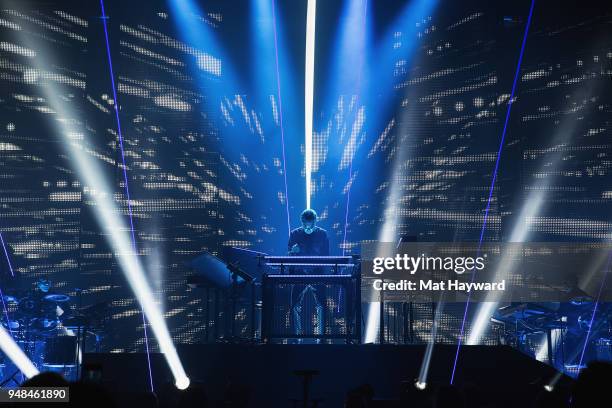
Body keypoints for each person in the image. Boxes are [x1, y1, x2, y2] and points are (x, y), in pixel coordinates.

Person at [287, 209, 329, 341]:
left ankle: (320, 336)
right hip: (300, 273)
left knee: (321, 305)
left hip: (317, 273)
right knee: (294, 305)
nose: (308, 227)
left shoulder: (322, 234)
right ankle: (297, 337)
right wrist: (292, 252)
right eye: (306, 225)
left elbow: (327, 256)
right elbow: (288, 255)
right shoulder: (294, 234)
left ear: (315, 222)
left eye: (310, 225)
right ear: (302, 222)